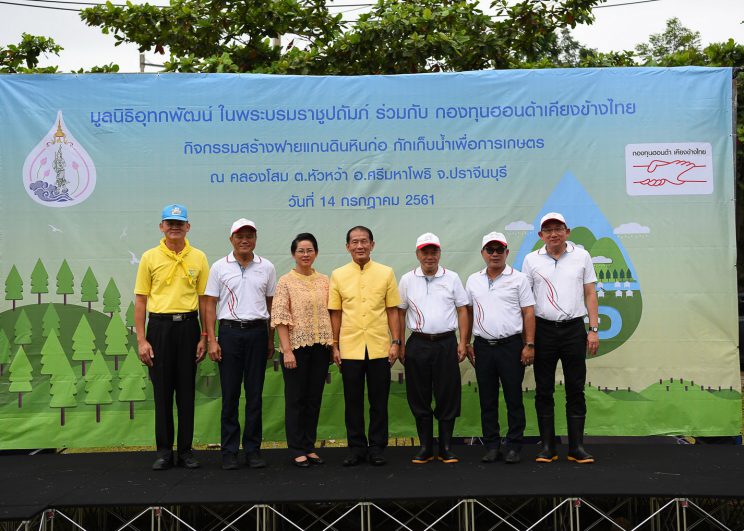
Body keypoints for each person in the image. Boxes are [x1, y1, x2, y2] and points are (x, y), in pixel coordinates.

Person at [134, 204, 209, 471]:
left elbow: (204, 300)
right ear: (162, 227)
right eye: (169, 223)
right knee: (162, 392)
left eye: (179, 223)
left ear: (188, 226)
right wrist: (142, 339)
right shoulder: (149, 257)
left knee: (186, 392)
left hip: (188, 327)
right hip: (160, 328)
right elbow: (141, 300)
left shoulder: (198, 257)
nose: (174, 227)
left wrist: (204, 336)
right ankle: (164, 451)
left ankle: (186, 451)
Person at [522, 212, 599, 464]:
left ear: (567, 231)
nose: (553, 233)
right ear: (540, 235)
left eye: (558, 228)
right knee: (544, 390)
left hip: (573, 330)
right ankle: (547, 447)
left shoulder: (582, 256)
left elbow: (590, 293)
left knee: (575, 389)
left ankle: (576, 447)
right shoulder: (531, 260)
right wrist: (529, 339)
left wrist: (593, 329)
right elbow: (527, 303)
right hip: (543, 331)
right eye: (548, 230)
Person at [204, 219, 277, 470]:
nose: (245, 240)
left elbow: (270, 305)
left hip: (257, 333)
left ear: (255, 239)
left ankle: (253, 450)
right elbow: (210, 304)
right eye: (239, 236)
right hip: (229, 334)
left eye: (250, 235)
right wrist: (212, 340)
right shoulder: (219, 267)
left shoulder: (266, 267)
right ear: (231, 239)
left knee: (255, 395)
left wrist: (270, 338)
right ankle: (229, 451)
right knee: (231, 395)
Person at [329, 226, 401, 467]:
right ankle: (356, 448)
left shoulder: (386, 272)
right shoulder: (338, 275)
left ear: (372, 244)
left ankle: (377, 447)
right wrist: (335, 345)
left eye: (364, 241)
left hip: (380, 346)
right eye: (354, 242)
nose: (359, 246)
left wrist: (396, 342)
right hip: (350, 348)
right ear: (347, 246)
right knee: (353, 401)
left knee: (379, 401)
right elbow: (336, 313)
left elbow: (392, 311)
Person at [397, 233, 469, 464]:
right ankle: (426, 447)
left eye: (433, 251)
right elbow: (399, 312)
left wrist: (463, 341)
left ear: (439, 253)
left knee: (447, 395)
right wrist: (398, 342)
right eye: (425, 252)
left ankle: (446, 447)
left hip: (447, 343)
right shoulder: (407, 279)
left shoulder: (452, 278)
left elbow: (462, 310)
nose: (429, 256)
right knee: (419, 396)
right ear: (418, 254)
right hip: (417, 343)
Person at [465, 232, 535, 465]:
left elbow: (528, 312)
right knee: (488, 399)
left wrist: (529, 344)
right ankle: (492, 446)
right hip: (483, 347)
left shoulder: (519, 278)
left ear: (507, 252)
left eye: (499, 249)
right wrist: (466, 342)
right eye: (490, 250)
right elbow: (469, 313)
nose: (494, 254)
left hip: (511, 346)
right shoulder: (473, 280)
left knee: (514, 398)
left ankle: (514, 446)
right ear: (483, 253)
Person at [271, 233, 333, 468]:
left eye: (309, 250)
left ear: (315, 253)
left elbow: (332, 313)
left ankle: (309, 446)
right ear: (293, 254)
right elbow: (280, 317)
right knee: (295, 399)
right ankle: (296, 448)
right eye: (300, 251)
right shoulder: (286, 281)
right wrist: (287, 351)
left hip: (320, 349)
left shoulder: (325, 280)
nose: (305, 255)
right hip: (295, 349)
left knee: (313, 399)